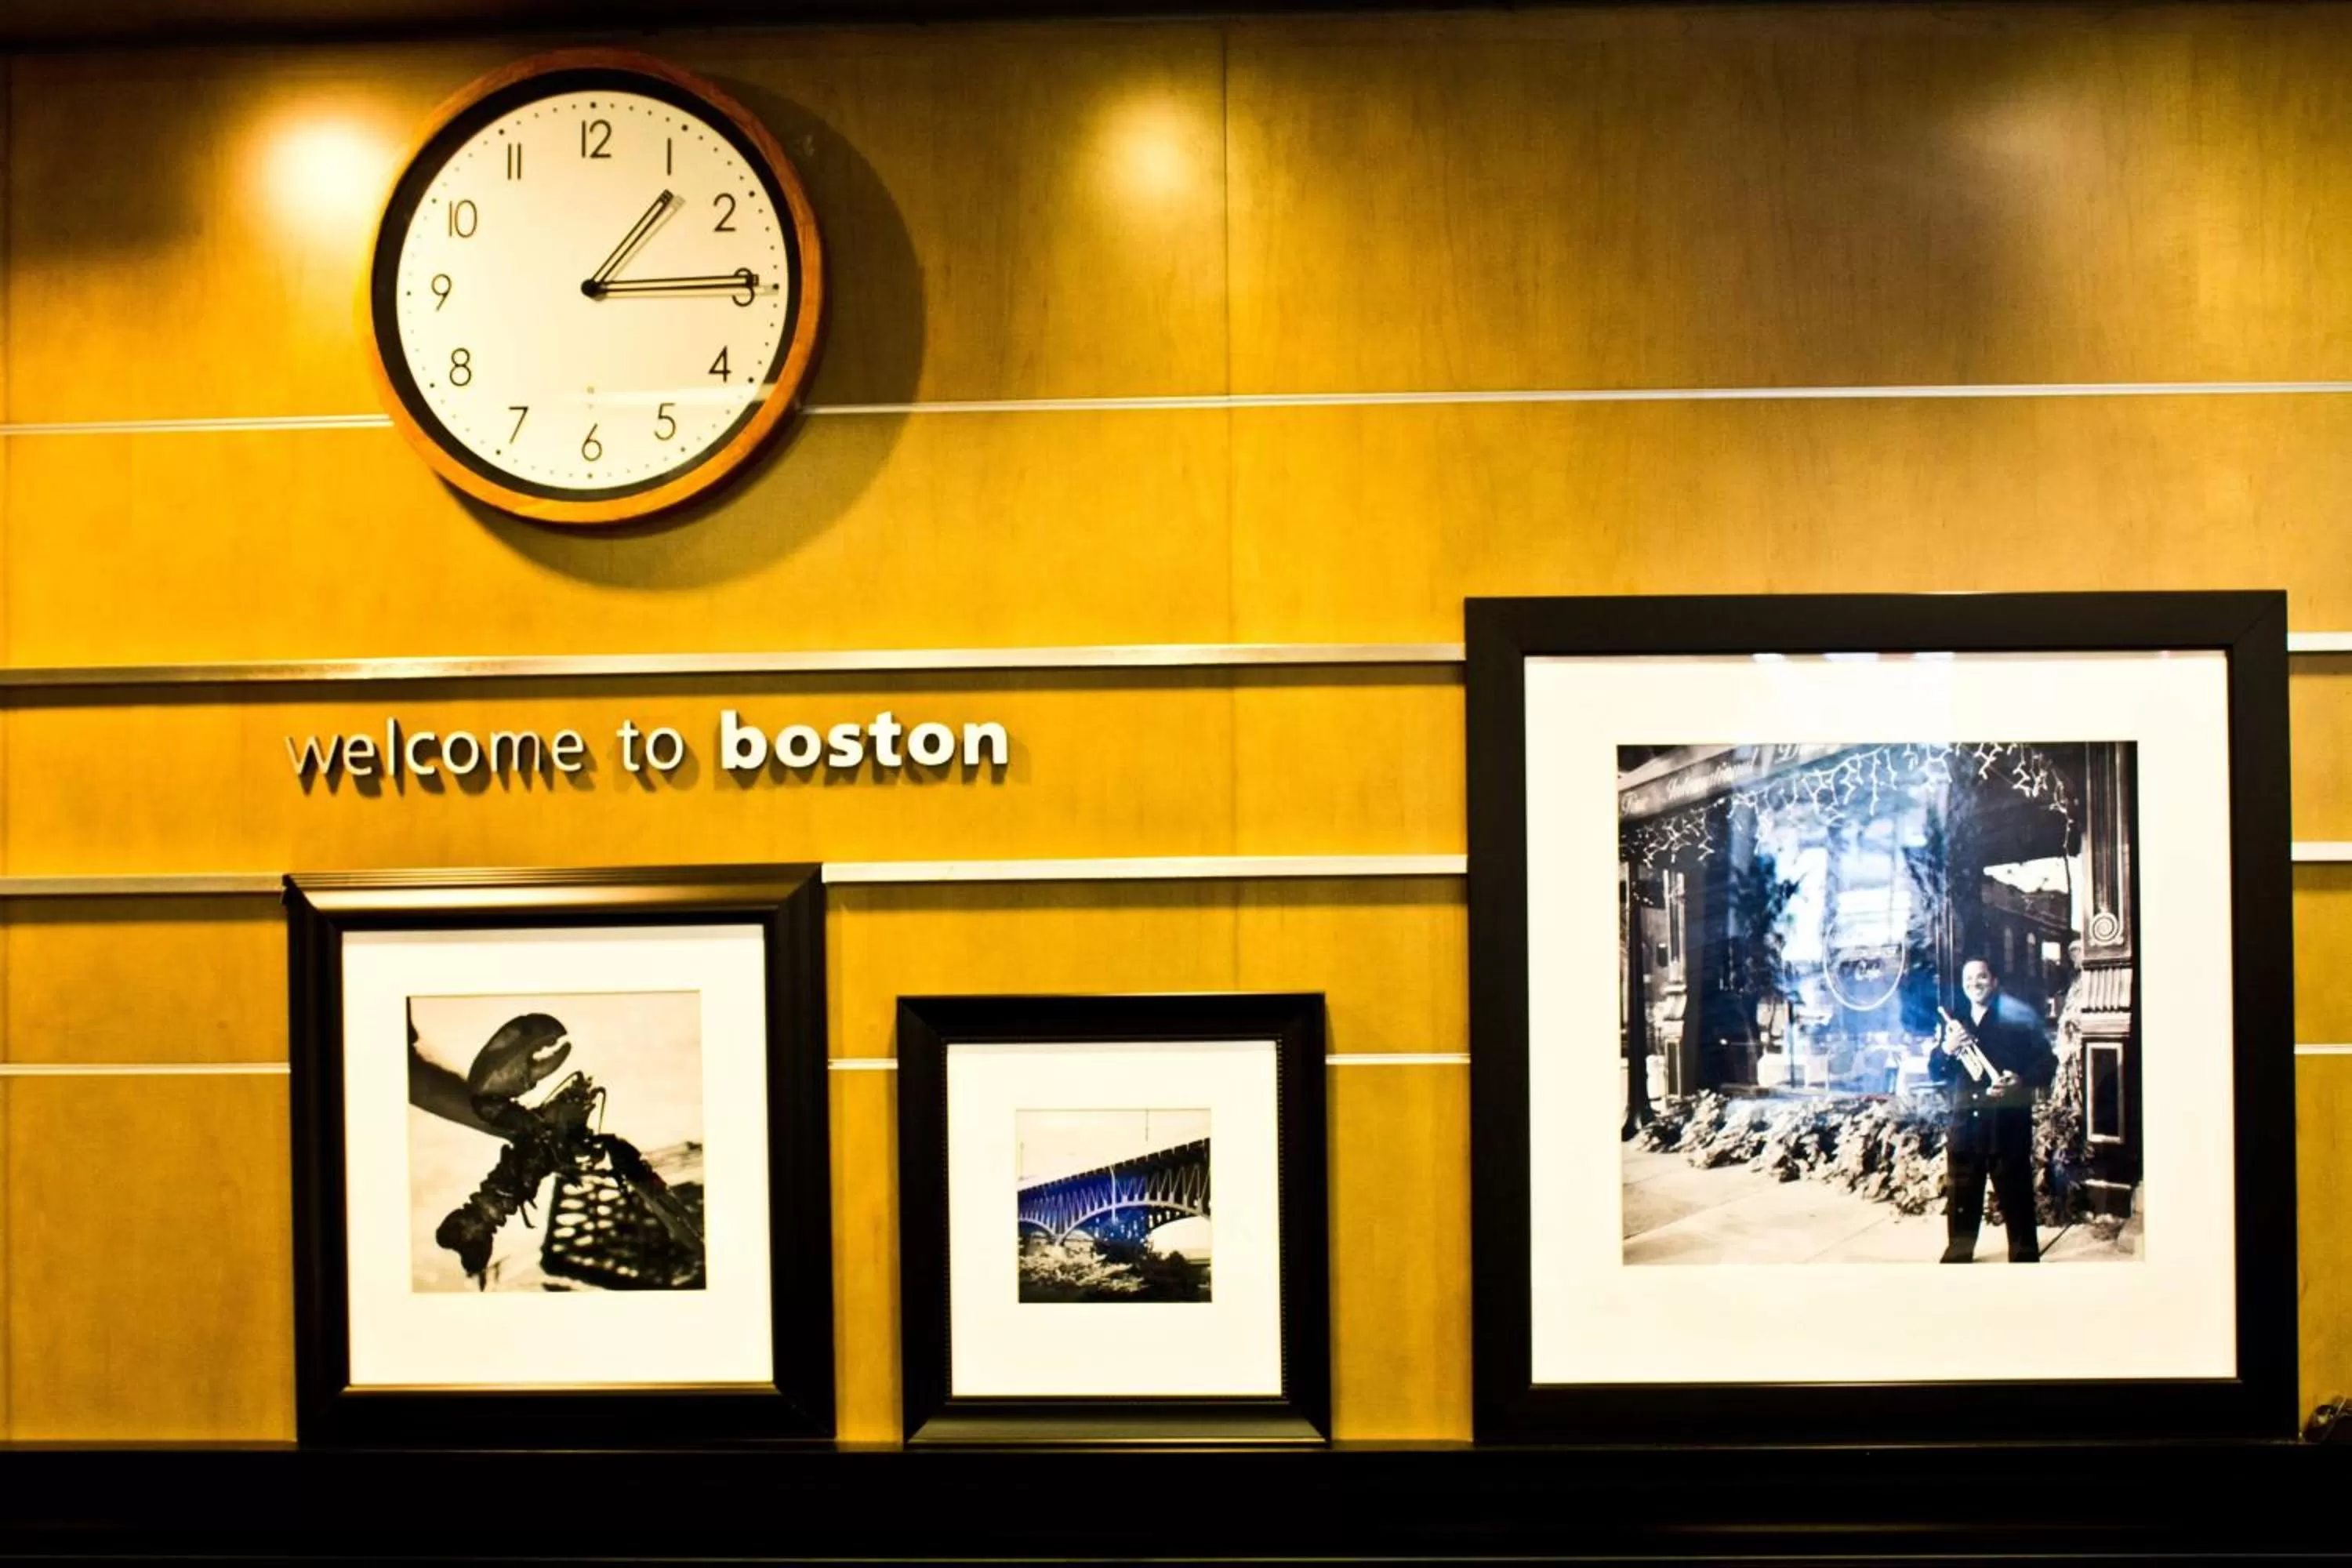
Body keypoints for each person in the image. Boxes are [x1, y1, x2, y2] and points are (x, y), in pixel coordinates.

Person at [1927, 956, 2056, 1263]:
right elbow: (1936, 1072)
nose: (1975, 984)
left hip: (2006, 1122)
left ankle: (2023, 1257)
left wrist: (2020, 1079)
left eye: (1981, 977)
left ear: (1994, 980)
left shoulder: (2016, 1019)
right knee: (1963, 1194)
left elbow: (2047, 1062)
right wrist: (1947, 1049)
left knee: (2016, 1194)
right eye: (1968, 980)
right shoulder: (1956, 1023)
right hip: (1966, 1123)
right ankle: (1959, 1252)